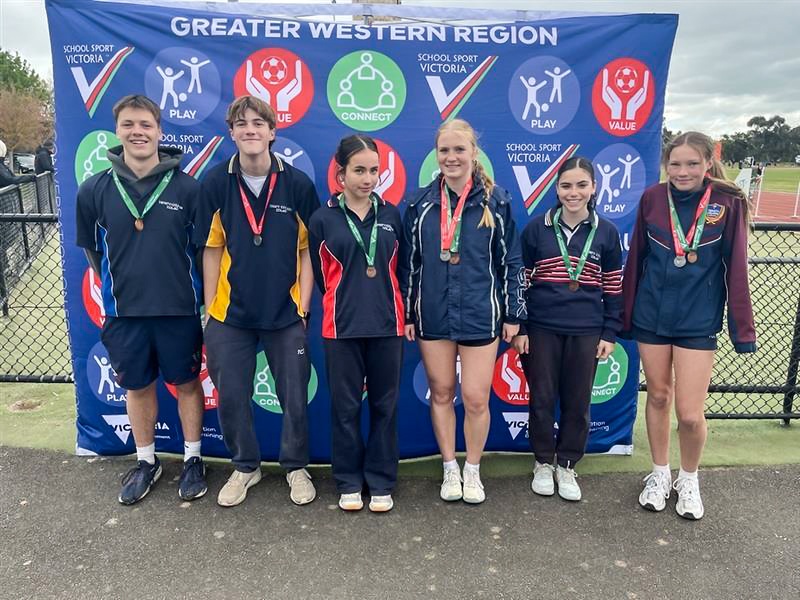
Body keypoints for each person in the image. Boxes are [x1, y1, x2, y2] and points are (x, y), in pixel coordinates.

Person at [74, 95, 207, 505]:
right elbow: (93, 253)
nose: (138, 132)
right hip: (124, 311)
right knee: (137, 386)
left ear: (159, 131)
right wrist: (123, 286)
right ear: (117, 131)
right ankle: (147, 461)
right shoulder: (93, 189)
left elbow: (203, 250)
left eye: (146, 125)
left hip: (179, 310)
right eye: (129, 124)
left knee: (187, 384)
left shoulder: (188, 188)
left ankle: (193, 458)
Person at [621, 131, 756, 520]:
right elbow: (637, 259)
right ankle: (660, 473)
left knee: (691, 414)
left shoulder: (728, 202)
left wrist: (742, 329)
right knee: (658, 396)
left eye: (692, 164)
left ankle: (689, 478)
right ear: (666, 165)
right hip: (652, 314)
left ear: (708, 163)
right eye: (675, 164)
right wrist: (624, 317)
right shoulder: (652, 198)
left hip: (698, 319)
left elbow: (736, 267)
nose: (682, 172)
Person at [195, 95, 319, 508]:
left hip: (285, 313)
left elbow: (308, 250)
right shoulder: (216, 182)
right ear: (231, 132)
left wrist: (302, 306)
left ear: (272, 132)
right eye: (242, 124)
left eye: (258, 123)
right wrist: (211, 309)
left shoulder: (297, 184)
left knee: (294, 396)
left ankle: (295, 467)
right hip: (229, 314)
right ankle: (245, 467)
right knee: (231, 395)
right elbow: (212, 248)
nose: (250, 130)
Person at [400, 118, 526, 504]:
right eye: (444, 150)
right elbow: (409, 264)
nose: (451, 157)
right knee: (441, 392)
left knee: (475, 398)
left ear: (474, 152)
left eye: (459, 149)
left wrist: (513, 314)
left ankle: (472, 468)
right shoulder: (419, 204)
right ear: (436, 155)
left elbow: (512, 262)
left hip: (480, 313)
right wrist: (408, 313)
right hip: (433, 314)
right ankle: (449, 467)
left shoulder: (497, 201)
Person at [512, 157, 622, 502]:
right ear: (556, 189)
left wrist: (609, 332)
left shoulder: (606, 232)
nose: (573, 193)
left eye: (581, 185)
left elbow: (613, 285)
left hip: (587, 329)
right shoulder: (536, 229)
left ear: (593, 188)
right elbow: (520, 283)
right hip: (541, 328)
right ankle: (543, 462)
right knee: (542, 398)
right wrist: (522, 327)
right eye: (566, 186)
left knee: (578, 400)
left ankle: (568, 464)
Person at [308, 135, 404, 513]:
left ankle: (380, 480)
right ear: (341, 173)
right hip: (341, 328)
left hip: (388, 326)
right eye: (359, 170)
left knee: (385, 407)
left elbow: (402, 271)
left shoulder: (392, 215)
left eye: (374, 171)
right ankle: (348, 480)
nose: (368, 179)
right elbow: (322, 277)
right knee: (345, 409)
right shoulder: (322, 219)